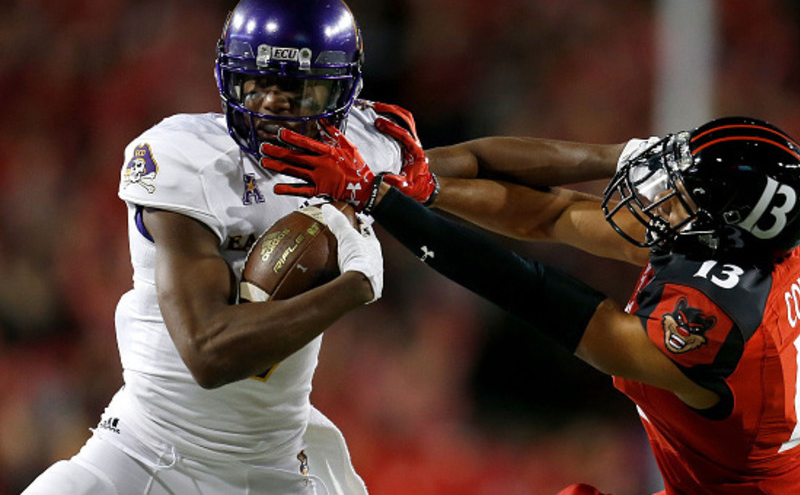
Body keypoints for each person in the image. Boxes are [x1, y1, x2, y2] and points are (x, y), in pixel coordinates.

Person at [259, 113, 800, 493]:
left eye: (682, 194)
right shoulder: (750, 248)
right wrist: (421, 185)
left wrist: (380, 199)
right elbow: (554, 214)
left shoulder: (717, 326)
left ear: (726, 234)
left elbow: (528, 289)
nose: (659, 191)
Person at [22, 0, 408, 495]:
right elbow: (208, 353)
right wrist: (354, 285)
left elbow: (473, 167)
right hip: (143, 452)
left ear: (336, 93)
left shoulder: (361, 154)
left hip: (271, 468)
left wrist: (555, 193)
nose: (271, 103)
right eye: (255, 82)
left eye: (295, 90)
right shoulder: (190, 159)